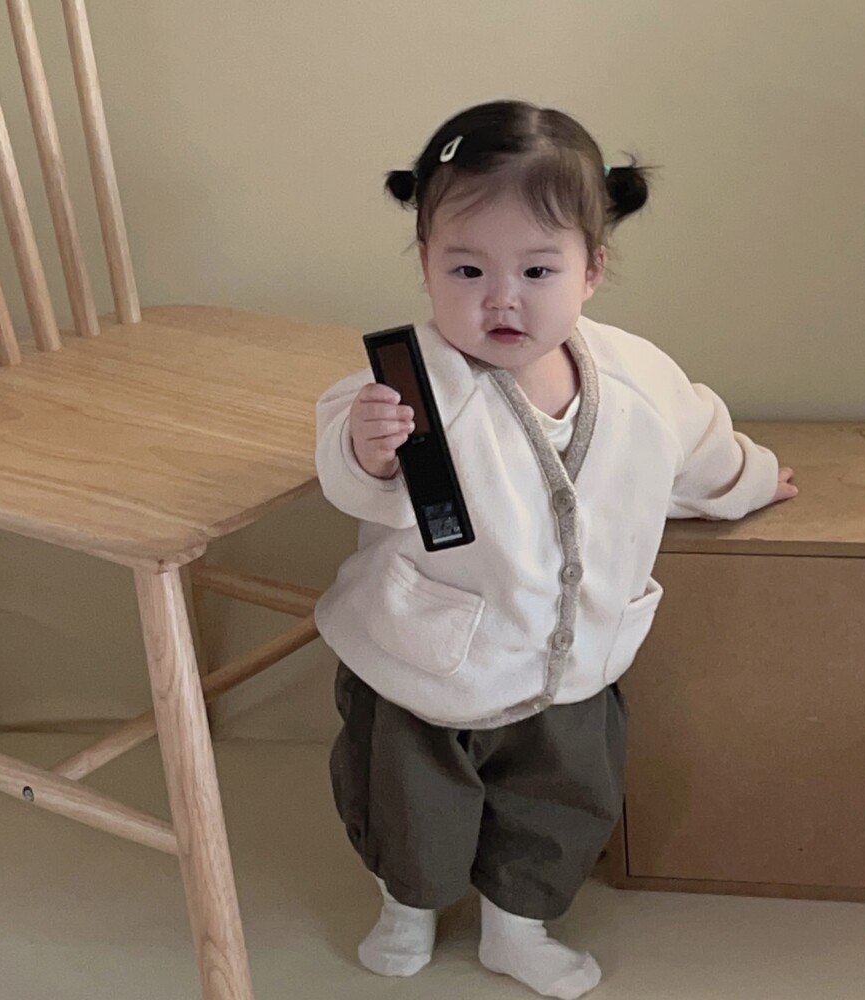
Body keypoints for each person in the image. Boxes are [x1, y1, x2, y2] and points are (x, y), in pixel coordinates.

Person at [314, 99, 797, 1000]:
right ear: (425, 263)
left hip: (570, 661)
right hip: (426, 660)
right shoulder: (412, 382)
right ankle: (406, 903)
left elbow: (702, 449)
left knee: (559, 800)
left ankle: (518, 926)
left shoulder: (640, 378)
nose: (501, 297)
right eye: (467, 269)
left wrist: (756, 481)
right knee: (407, 802)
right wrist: (365, 448)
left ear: (592, 269)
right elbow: (356, 477)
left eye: (538, 269)